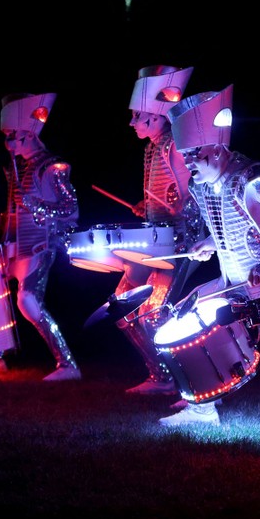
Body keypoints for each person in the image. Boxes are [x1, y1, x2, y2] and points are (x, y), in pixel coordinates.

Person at [157, 84, 260, 426]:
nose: (188, 165)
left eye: (193, 156)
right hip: (233, 281)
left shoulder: (253, 178)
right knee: (186, 313)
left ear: (216, 150)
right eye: (184, 156)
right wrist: (208, 244)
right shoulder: (201, 186)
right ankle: (202, 408)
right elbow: (229, 228)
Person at [110, 65, 205, 397]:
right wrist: (146, 206)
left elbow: (191, 196)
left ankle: (185, 382)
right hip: (157, 239)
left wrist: (170, 208)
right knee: (122, 303)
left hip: (181, 242)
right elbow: (163, 198)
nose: (132, 123)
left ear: (156, 116)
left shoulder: (176, 144)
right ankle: (160, 375)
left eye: (138, 116)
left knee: (153, 314)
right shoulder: (151, 147)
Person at [0, 92, 82, 381]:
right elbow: (19, 209)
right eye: (6, 137)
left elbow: (70, 209)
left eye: (12, 136)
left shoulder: (52, 167)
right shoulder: (20, 169)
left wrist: (33, 205)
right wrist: (0, 220)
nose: (7, 144)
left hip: (41, 244)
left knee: (28, 302)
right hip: (16, 245)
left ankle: (68, 365)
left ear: (29, 135)